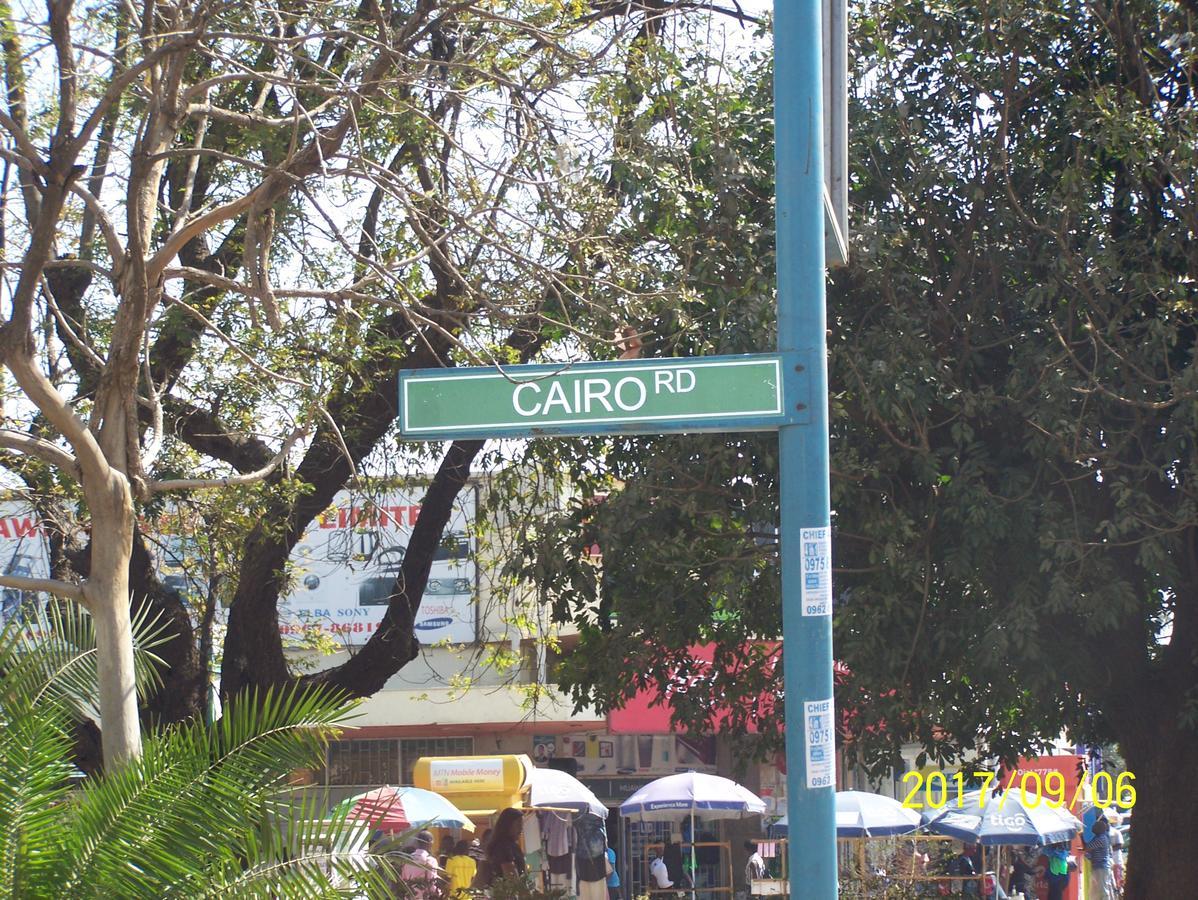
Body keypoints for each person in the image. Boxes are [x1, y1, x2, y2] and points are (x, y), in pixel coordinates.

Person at [482, 808, 526, 887]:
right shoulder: (503, 846)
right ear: (508, 825)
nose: (521, 829)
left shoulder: (511, 845)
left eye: (522, 825)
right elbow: (510, 873)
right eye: (518, 824)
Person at [400, 830, 443, 900]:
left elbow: (403, 880)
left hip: (409, 896)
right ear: (430, 842)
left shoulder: (408, 860)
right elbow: (432, 883)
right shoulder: (430, 861)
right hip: (424, 897)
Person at [1085, 812, 1112, 900]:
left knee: (1102, 889)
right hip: (1099, 866)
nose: (1092, 828)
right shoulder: (1101, 837)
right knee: (1098, 888)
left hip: (1101, 866)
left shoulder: (1100, 839)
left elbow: (1088, 847)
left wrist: (1081, 837)